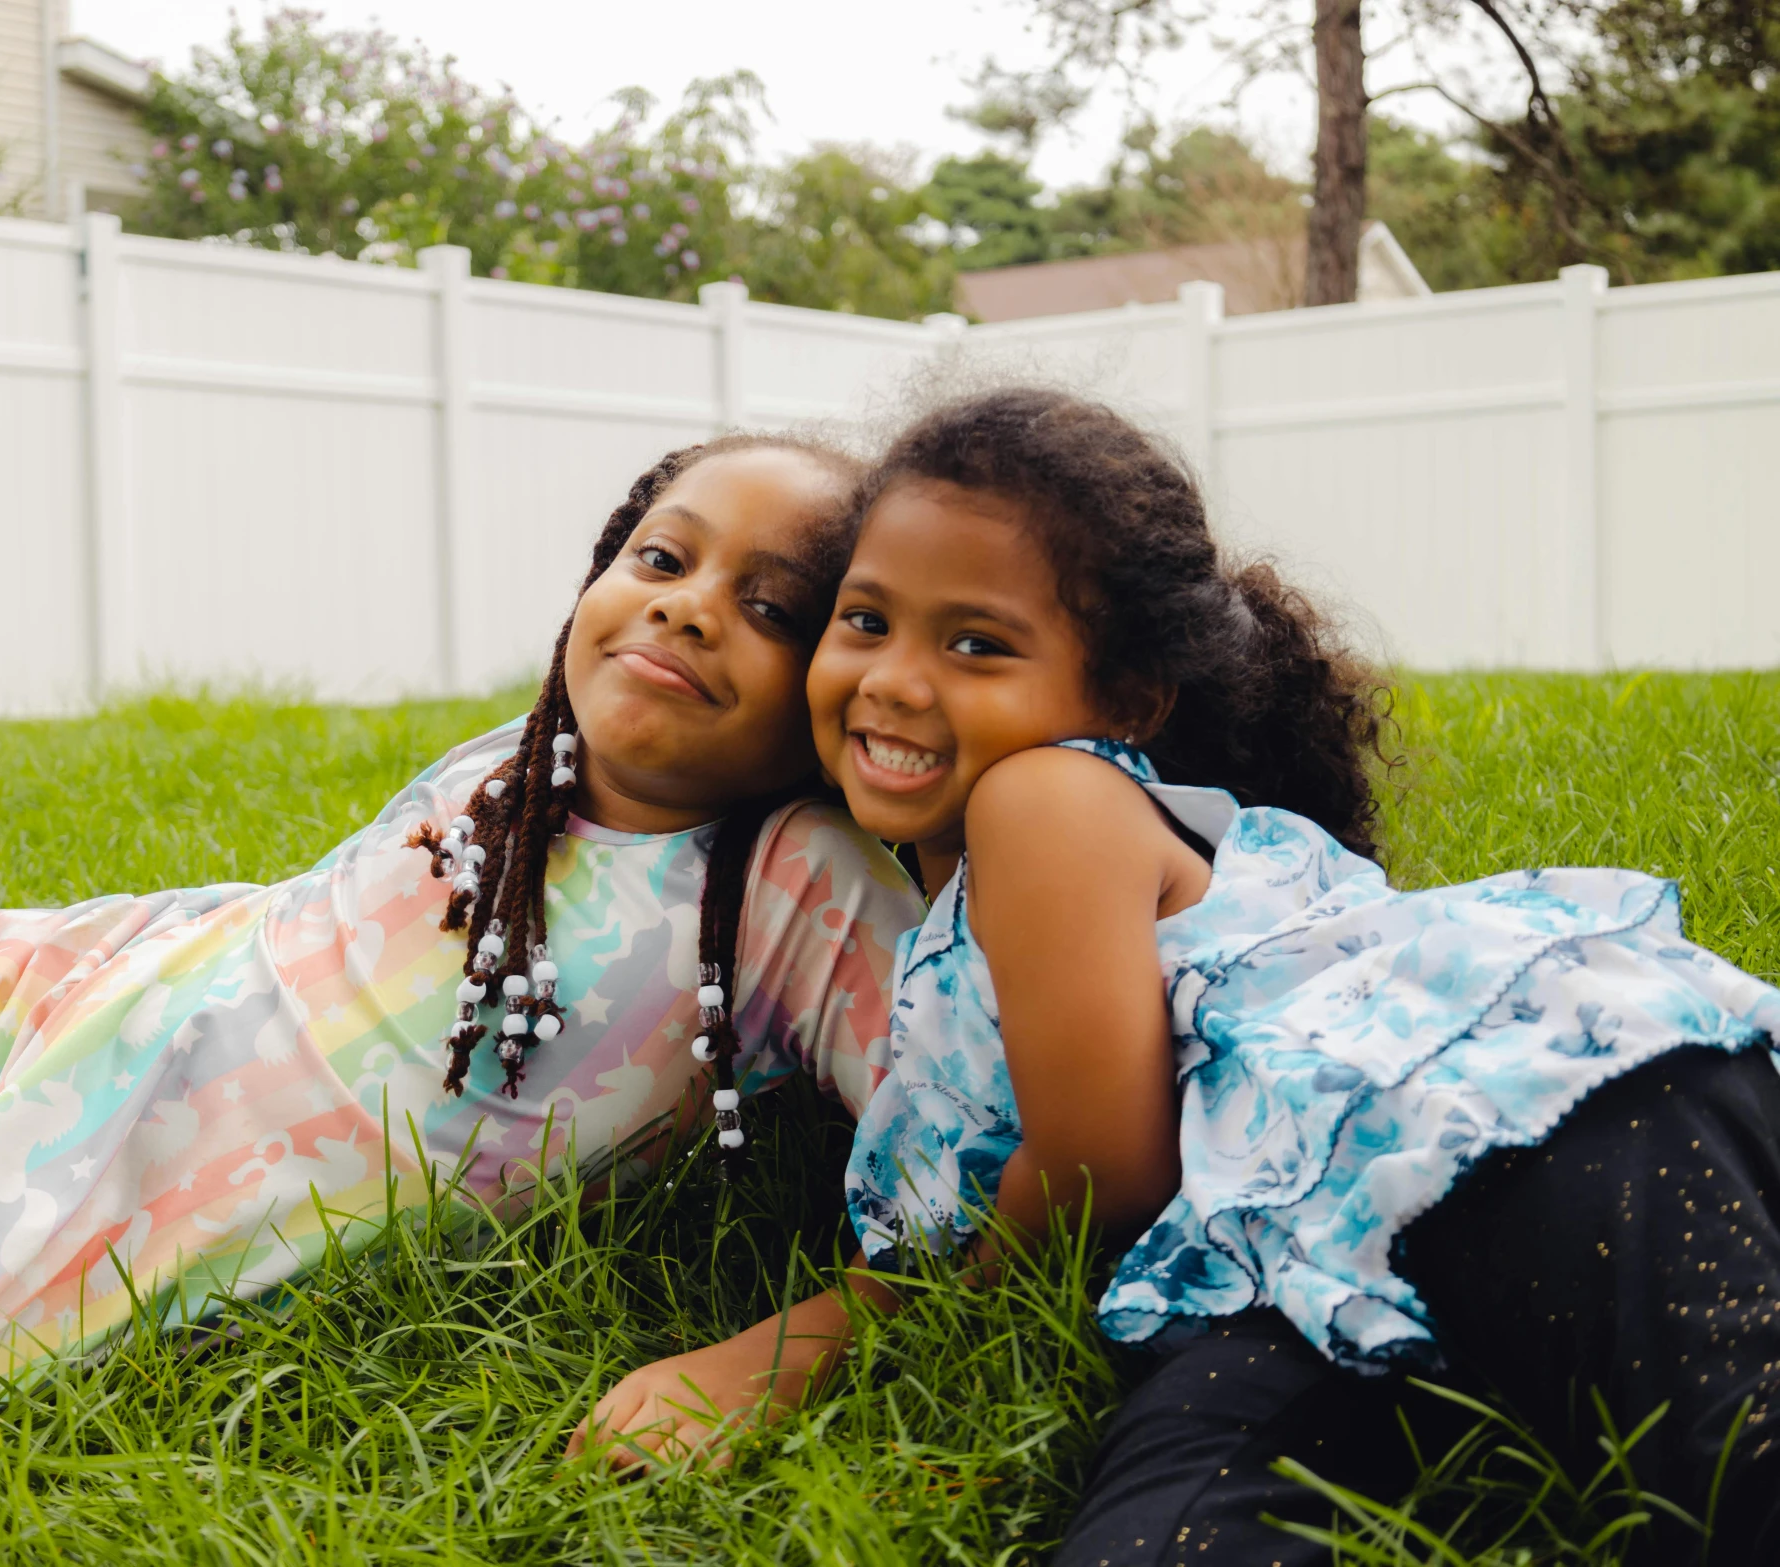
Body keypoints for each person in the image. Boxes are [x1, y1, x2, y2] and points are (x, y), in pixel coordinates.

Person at [0, 432, 927, 1538]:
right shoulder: (526, 755)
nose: (681, 605)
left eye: (774, 603)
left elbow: (990, 1171)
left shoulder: (794, 884)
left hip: (32, 1217)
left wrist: (782, 1346)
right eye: (657, 557)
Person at [630, 384, 1780, 1564]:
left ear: (1126, 699)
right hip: (1285, 1265)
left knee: (1733, 1475)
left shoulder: (1044, 801)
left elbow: (1101, 1170)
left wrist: (792, 1348)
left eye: (976, 644)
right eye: (865, 621)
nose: (893, 679)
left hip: (1521, 1114)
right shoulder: (951, 919)